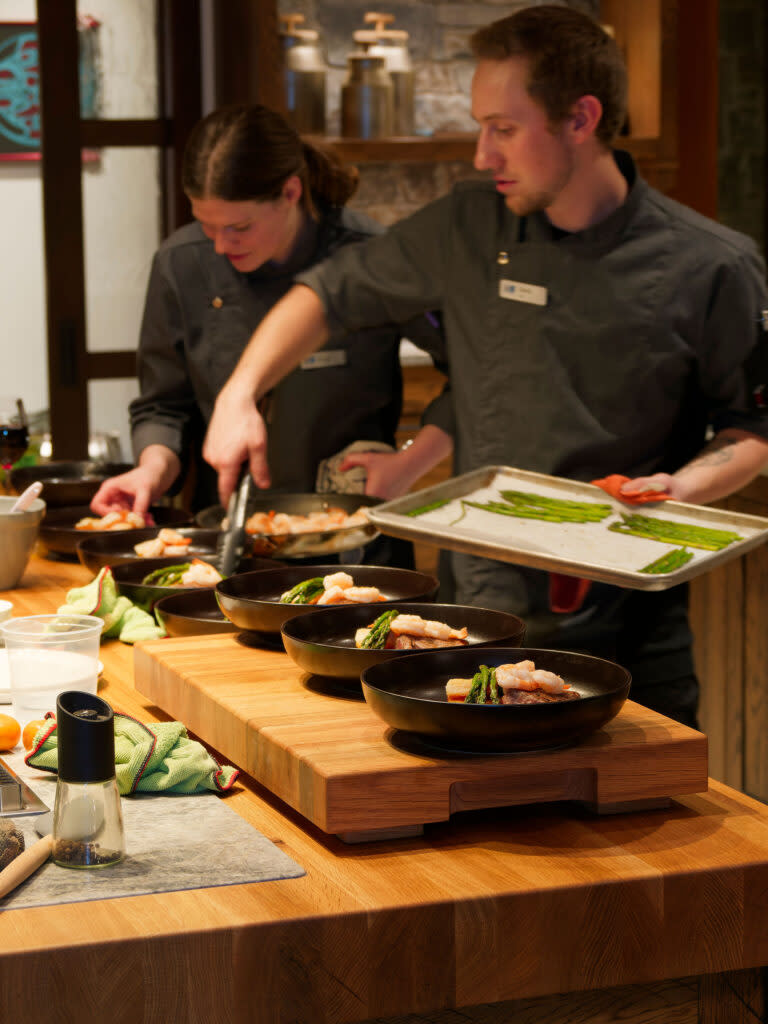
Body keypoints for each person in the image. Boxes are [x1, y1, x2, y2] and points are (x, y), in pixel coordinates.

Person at [202, 6, 768, 727]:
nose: (481, 154)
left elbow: (751, 428)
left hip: (628, 647)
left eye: (503, 128)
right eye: (480, 126)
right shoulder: (469, 225)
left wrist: (681, 484)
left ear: (581, 119)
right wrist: (240, 393)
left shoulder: (712, 263)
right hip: (476, 623)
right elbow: (326, 294)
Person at [90, 103, 447, 569]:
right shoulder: (183, 263)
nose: (220, 245)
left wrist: (411, 464)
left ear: (290, 192)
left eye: (239, 227)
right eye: (207, 225)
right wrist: (152, 468)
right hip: (225, 545)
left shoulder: (368, 258)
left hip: (358, 549)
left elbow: (474, 371)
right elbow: (164, 405)